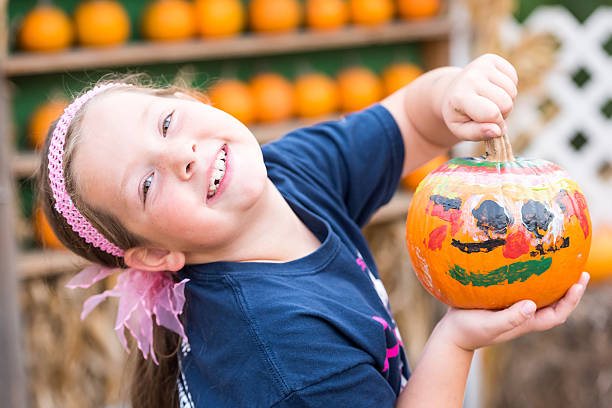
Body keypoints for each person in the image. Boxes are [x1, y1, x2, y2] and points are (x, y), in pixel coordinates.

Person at [38, 53, 589, 408]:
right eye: (147, 184)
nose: (180, 156)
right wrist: (456, 339)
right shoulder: (277, 351)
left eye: (164, 124)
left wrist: (451, 95)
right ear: (155, 256)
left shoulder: (288, 174)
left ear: (188, 101)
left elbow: (410, 121)